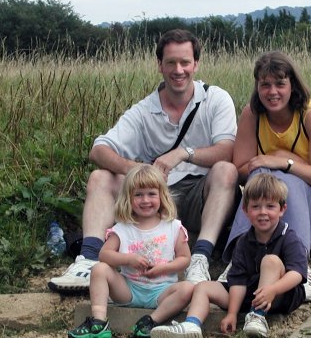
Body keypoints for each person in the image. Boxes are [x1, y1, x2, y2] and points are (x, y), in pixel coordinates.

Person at [49, 29, 238, 292]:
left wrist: (184, 153)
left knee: (226, 171)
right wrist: (138, 169)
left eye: (185, 62)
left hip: (200, 193)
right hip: (155, 197)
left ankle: (200, 258)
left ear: (196, 64)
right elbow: (99, 150)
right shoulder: (144, 109)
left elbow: (227, 150)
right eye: (171, 62)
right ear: (160, 65)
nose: (179, 70)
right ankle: (88, 260)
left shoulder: (215, 99)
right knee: (100, 177)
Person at [220, 51, 311, 300]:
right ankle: (237, 260)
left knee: (284, 178)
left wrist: (283, 161)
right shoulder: (252, 115)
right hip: (272, 196)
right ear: (257, 87)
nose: (272, 91)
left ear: (292, 85)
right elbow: (242, 169)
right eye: (265, 84)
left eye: (280, 83)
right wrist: (271, 166)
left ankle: (300, 265)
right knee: (265, 175)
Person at [150, 173, 307, 338]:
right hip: (248, 294)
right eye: (256, 206)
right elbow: (238, 281)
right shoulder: (243, 241)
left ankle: (257, 316)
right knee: (203, 286)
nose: (263, 212)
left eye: (270, 206)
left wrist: (273, 289)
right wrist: (232, 313)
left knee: (270, 261)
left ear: (282, 209)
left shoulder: (289, 237)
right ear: (246, 210)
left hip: (280, 295)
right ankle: (192, 325)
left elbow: (297, 274)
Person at [67, 164, 194, 338]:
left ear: (161, 196)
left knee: (188, 288)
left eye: (151, 194)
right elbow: (104, 255)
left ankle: (151, 322)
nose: (145, 200)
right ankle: (98, 322)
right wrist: (128, 259)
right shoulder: (123, 228)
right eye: (138, 195)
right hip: (129, 288)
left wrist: (163, 268)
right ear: (129, 198)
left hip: (162, 290)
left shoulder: (173, 226)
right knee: (99, 269)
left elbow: (185, 259)